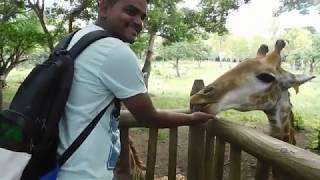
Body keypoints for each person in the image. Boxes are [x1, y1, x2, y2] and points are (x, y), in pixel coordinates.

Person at [57, 0, 213, 179]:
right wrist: (192, 118)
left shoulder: (73, 39)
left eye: (143, 16)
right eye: (131, 11)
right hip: (85, 173)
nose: (139, 22)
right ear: (104, 8)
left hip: (58, 166)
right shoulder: (114, 51)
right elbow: (150, 118)